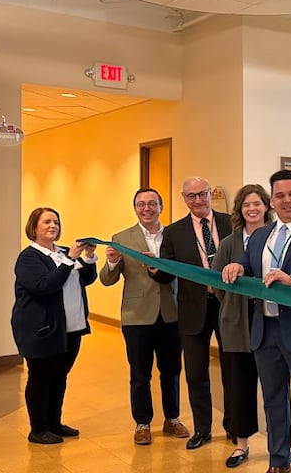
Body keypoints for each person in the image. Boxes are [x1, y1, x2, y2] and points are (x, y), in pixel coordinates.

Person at [221, 169, 291, 473]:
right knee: (273, 400)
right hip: (265, 331)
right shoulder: (260, 235)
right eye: (280, 195)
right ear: (272, 199)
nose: (286, 201)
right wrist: (236, 267)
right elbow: (247, 266)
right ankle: (278, 461)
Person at [99, 188, 189, 445]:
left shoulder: (173, 236)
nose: (146, 208)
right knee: (140, 373)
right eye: (141, 204)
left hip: (171, 313)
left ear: (161, 207)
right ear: (135, 208)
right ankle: (142, 423)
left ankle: (172, 418)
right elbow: (107, 280)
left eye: (152, 203)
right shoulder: (121, 238)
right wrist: (113, 262)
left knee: (171, 370)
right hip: (136, 316)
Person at [152, 177, 233, 450]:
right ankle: (202, 429)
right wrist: (155, 269)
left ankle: (234, 426)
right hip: (192, 309)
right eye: (191, 196)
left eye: (202, 194)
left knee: (233, 369)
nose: (197, 200)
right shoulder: (174, 232)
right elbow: (166, 274)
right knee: (196, 373)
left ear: (211, 194)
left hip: (228, 306)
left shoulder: (230, 223)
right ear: (184, 199)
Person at [12, 207, 97, 445]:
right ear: (34, 227)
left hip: (70, 328)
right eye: (47, 222)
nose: (53, 226)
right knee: (40, 378)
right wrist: (69, 260)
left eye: (56, 222)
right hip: (42, 329)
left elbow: (86, 278)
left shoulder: (62, 251)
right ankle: (38, 429)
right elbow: (44, 286)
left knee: (59, 376)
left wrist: (88, 257)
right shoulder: (29, 257)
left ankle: (53, 423)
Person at [211, 184, 270, 468]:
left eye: (257, 203)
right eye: (247, 204)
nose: (252, 209)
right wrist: (235, 306)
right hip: (236, 323)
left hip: (269, 322)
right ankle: (241, 444)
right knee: (239, 386)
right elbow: (217, 284)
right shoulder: (228, 243)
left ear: (266, 207)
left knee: (274, 387)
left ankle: (278, 444)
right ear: (239, 210)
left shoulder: (276, 238)